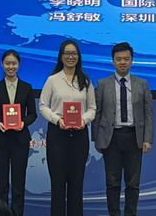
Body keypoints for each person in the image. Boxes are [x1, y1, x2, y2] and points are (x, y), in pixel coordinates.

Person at [91, 42, 154, 216]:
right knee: (112, 183)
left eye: (126, 59)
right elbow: (97, 112)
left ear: (132, 60)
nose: (122, 62)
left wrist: (148, 138)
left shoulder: (142, 84)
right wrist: (96, 139)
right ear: (113, 61)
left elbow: (148, 113)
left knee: (133, 184)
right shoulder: (103, 84)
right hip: (111, 138)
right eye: (119, 59)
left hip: (134, 137)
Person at [39, 40, 96, 216]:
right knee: (57, 186)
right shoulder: (52, 80)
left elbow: (92, 108)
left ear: (78, 56)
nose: (71, 57)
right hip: (58, 136)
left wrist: (83, 120)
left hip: (79, 136)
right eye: (67, 53)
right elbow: (43, 105)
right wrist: (57, 120)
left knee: (76, 186)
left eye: (74, 53)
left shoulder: (86, 80)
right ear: (61, 56)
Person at [0, 49, 37, 216]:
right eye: (7, 63)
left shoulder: (27, 88)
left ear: (19, 65)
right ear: (2, 64)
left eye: (14, 63)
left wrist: (23, 123)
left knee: (18, 185)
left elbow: (32, 114)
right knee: (1, 185)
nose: (10, 66)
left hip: (20, 140)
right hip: (0, 140)